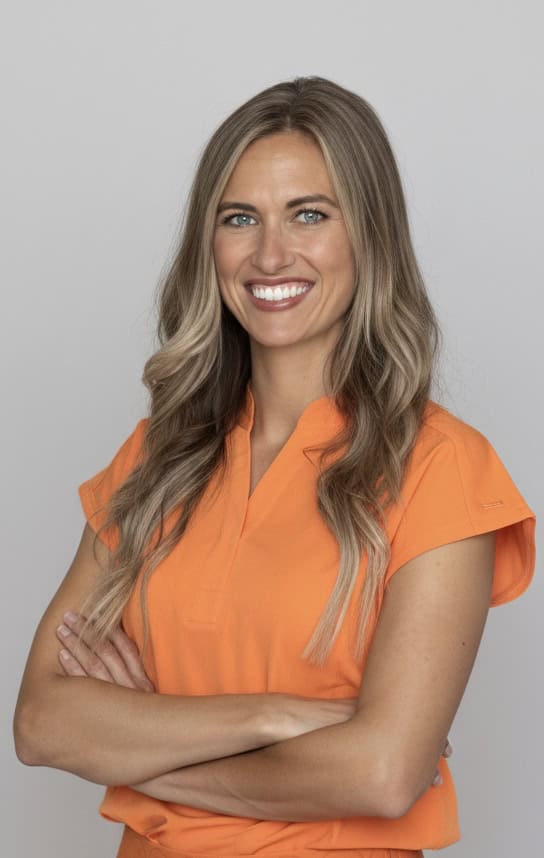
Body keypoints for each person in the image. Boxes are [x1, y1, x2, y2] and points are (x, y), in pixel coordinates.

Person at [14, 76, 535, 858]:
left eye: (310, 214)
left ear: (370, 235)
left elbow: (384, 773)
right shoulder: (157, 459)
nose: (269, 254)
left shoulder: (442, 467)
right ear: (210, 242)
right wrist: (272, 716)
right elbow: (42, 724)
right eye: (239, 218)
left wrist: (140, 752)